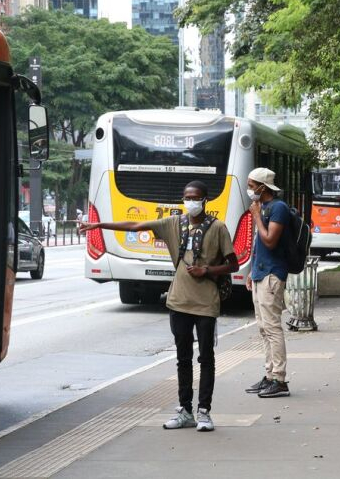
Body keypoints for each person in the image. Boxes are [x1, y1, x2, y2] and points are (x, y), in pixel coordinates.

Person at [79, 180, 239, 432]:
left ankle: (204, 412)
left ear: (205, 200)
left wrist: (206, 270)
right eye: (186, 197)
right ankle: (185, 410)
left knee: (206, 358)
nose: (190, 202)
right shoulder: (173, 223)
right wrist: (98, 225)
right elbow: (133, 224)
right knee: (182, 359)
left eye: (195, 197)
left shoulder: (218, 228)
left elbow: (233, 264)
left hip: (206, 303)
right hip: (178, 302)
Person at [244, 167, 291, 398]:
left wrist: (255, 216)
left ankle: (280, 379)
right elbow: (257, 245)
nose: (250, 190)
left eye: (252, 186)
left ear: (263, 187)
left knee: (272, 328)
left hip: (273, 274)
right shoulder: (262, 208)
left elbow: (270, 241)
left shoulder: (278, 208)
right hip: (260, 273)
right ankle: (269, 374)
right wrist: (251, 272)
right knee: (263, 329)